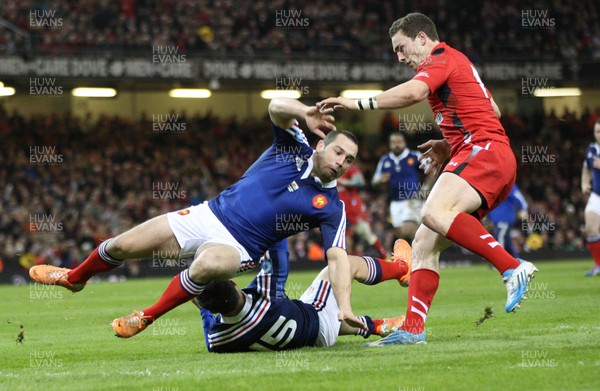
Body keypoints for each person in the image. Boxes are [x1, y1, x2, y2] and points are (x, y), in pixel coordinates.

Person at [29, 97, 367, 337]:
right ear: (322, 145)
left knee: (205, 267)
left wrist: (345, 306)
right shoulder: (294, 145)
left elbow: (337, 258)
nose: (341, 161)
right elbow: (275, 107)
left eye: (349, 159)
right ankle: (75, 278)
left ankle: (146, 317)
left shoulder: (332, 206)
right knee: (120, 245)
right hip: (207, 214)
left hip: (240, 248)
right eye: (338, 151)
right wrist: (304, 111)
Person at [318, 12, 538, 346]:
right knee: (423, 242)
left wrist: (355, 102)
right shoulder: (457, 63)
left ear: (423, 38)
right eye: (395, 52)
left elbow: (412, 94)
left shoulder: (440, 57)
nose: (400, 57)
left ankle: (511, 267)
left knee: (432, 212)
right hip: (488, 154)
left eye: (402, 48)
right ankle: (413, 329)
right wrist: (448, 144)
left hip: (484, 151)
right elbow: (492, 109)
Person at [195, 240, 412, 352]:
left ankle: (377, 326)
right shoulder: (267, 294)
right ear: (233, 282)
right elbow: (277, 251)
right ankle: (401, 270)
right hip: (316, 321)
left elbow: (209, 333)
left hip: (305, 334)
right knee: (342, 266)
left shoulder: (218, 339)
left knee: (317, 310)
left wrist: (201, 299)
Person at [372, 131, 433, 241]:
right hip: (395, 202)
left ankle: (420, 255)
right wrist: (380, 181)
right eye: (393, 142)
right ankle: (409, 257)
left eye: (399, 142)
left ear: (405, 143)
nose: (396, 145)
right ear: (389, 144)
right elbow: (374, 182)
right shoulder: (385, 160)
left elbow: (432, 171)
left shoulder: (415, 156)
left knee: (408, 231)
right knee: (401, 237)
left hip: (412, 200)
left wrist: (425, 189)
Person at [338, 162, 389, 258]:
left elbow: (360, 181)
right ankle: (349, 263)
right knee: (345, 238)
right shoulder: (329, 169)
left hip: (353, 208)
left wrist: (343, 182)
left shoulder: (348, 167)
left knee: (365, 232)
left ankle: (384, 255)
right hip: (338, 209)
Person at [487, 184, 529, 257]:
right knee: (507, 241)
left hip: (504, 219)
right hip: (498, 219)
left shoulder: (507, 184)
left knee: (500, 237)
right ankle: (516, 261)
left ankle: (499, 260)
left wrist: (524, 209)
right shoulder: (493, 185)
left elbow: (518, 197)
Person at [582, 120, 600, 276]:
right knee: (590, 228)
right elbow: (586, 169)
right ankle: (598, 265)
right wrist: (585, 183)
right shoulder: (591, 150)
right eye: (597, 132)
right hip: (597, 195)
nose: (599, 134)